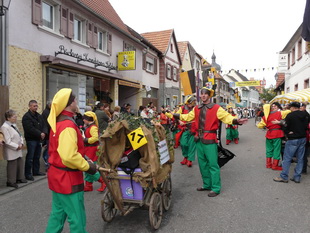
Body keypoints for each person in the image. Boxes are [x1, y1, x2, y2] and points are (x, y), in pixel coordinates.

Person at [173, 88, 247, 197]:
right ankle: (207, 184)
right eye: (201, 94)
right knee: (202, 165)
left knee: (213, 164)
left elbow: (226, 117)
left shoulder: (217, 108)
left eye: (205, 94)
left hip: (210, 138)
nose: (203, 96)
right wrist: (175, 115)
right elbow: (188, 117)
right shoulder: (196, 108)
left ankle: (215, 188)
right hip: (199, 138)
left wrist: (236, 120)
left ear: (209, 95)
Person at [45, 88, 97, 233]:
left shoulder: (58, 122)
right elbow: (69, 156)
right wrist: (88, 167)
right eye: (74, 100)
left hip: (56, 176)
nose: (76, 102)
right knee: (77, 218)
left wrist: (84, 159)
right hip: (68, 179)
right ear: (69, 104)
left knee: (57, 217)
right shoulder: (68, 125)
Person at [273, 102, 310, 183]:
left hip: (293, 139)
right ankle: (297, 177)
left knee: (287, 158)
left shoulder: (290, 115)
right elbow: (306, 126)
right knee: (300, 158)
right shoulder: (305, 115)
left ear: (293, 108)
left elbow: (286, 125)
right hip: (303, 138)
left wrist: (287, 132)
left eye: (290, 107)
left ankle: (284, 177)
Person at [257, 102, 290, 170]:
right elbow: (288, 111)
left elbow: (259, 125)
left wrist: (266, 125)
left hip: (269, 133)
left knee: (269, 149)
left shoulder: (265, 117)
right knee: (276, 150)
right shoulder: (279, 113)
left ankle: (268, 164)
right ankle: (275, 166)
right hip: (277, 134)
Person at [1, 110, 28, 188]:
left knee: (20, 162)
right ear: (8, 118)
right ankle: (10, 181)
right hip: (11, 149)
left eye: (16, 116)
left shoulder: (14, 125)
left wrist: (21, 143)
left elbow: (19, 135)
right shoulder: (4, 127)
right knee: (12, 165)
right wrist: (16, 146)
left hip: (18, 147)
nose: (16, 118)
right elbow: (7, 141)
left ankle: (19, 178)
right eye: (14, 117)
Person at [22, 100, 47, 181]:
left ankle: (36, 171)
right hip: (31, 140)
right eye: (34, 106)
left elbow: (43, 125)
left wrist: (43, 133)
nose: (36, 107)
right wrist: (40, 133)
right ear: (29, 106)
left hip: (38, 139)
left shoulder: (39, 116)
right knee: (30, 157)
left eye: (36, 106)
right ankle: (28, 174)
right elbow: (29, 129)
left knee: (37, 156)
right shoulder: (26, 117)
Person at [82, 111, 106, 192]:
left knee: (90, 168)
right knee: (88, 167)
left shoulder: (93, 127)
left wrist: (85, 140)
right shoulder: (90, 126)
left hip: (92, 150)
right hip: (89, 149)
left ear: (87, 119)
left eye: (84, 119)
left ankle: (103, 181)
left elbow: (95, 138)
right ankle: (88, 185)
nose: (83, 120)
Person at [175, 95, 197, 167]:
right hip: (185, 129)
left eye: (193, 103)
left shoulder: (196, 109)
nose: (192, 104)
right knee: (183, 144)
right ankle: (185, 157)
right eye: (191, 103)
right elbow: (176, 115)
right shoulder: (183, 108)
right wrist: (179, 121)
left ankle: (189, 160)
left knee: (192, 145)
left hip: (193, 130)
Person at [300, 102, 310, 174]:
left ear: (304, 107)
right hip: (304, 135)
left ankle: (303, 169)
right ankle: (302, 168)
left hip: (305, 136)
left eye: (301, 107)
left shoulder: (306, 115)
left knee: (304, 153)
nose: (300, 108)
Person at [41, 101, 51, 170]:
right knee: (48, 150)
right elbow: (47, 125)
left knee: (48, 149)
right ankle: (48, 164)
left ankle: (48, 163)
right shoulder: (46, 113)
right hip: (48, 134)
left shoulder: (49, 111)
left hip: (48, 134)